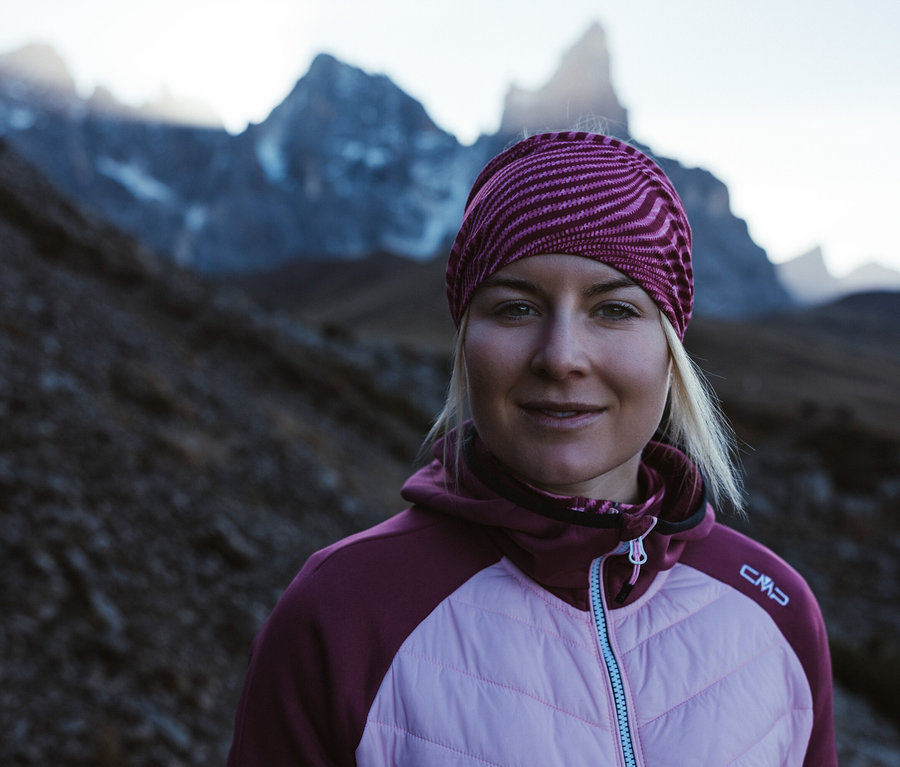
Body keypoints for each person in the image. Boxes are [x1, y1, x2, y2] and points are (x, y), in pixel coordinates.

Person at [226, 131, 836, 766]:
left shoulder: (777, 607)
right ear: (465, 342)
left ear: (669, 348)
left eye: (616, 310)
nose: (562, 357)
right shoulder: (342, 613)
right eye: (516, 308)